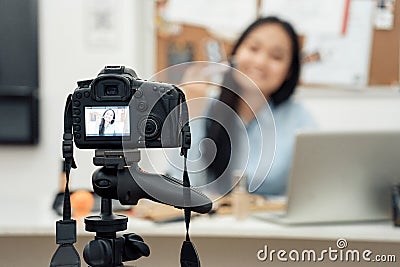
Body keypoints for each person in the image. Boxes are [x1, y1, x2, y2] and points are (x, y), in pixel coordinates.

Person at [166, 16, 317, 197]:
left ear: (289, 71)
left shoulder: (299, 119)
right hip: (212, 222)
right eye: (253, 48)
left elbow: (317, 187)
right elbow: (181, 185)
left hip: (272, 223)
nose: (260, 62)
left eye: (276, 56)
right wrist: (192, 115)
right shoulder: (205, 106)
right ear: (235, 54)